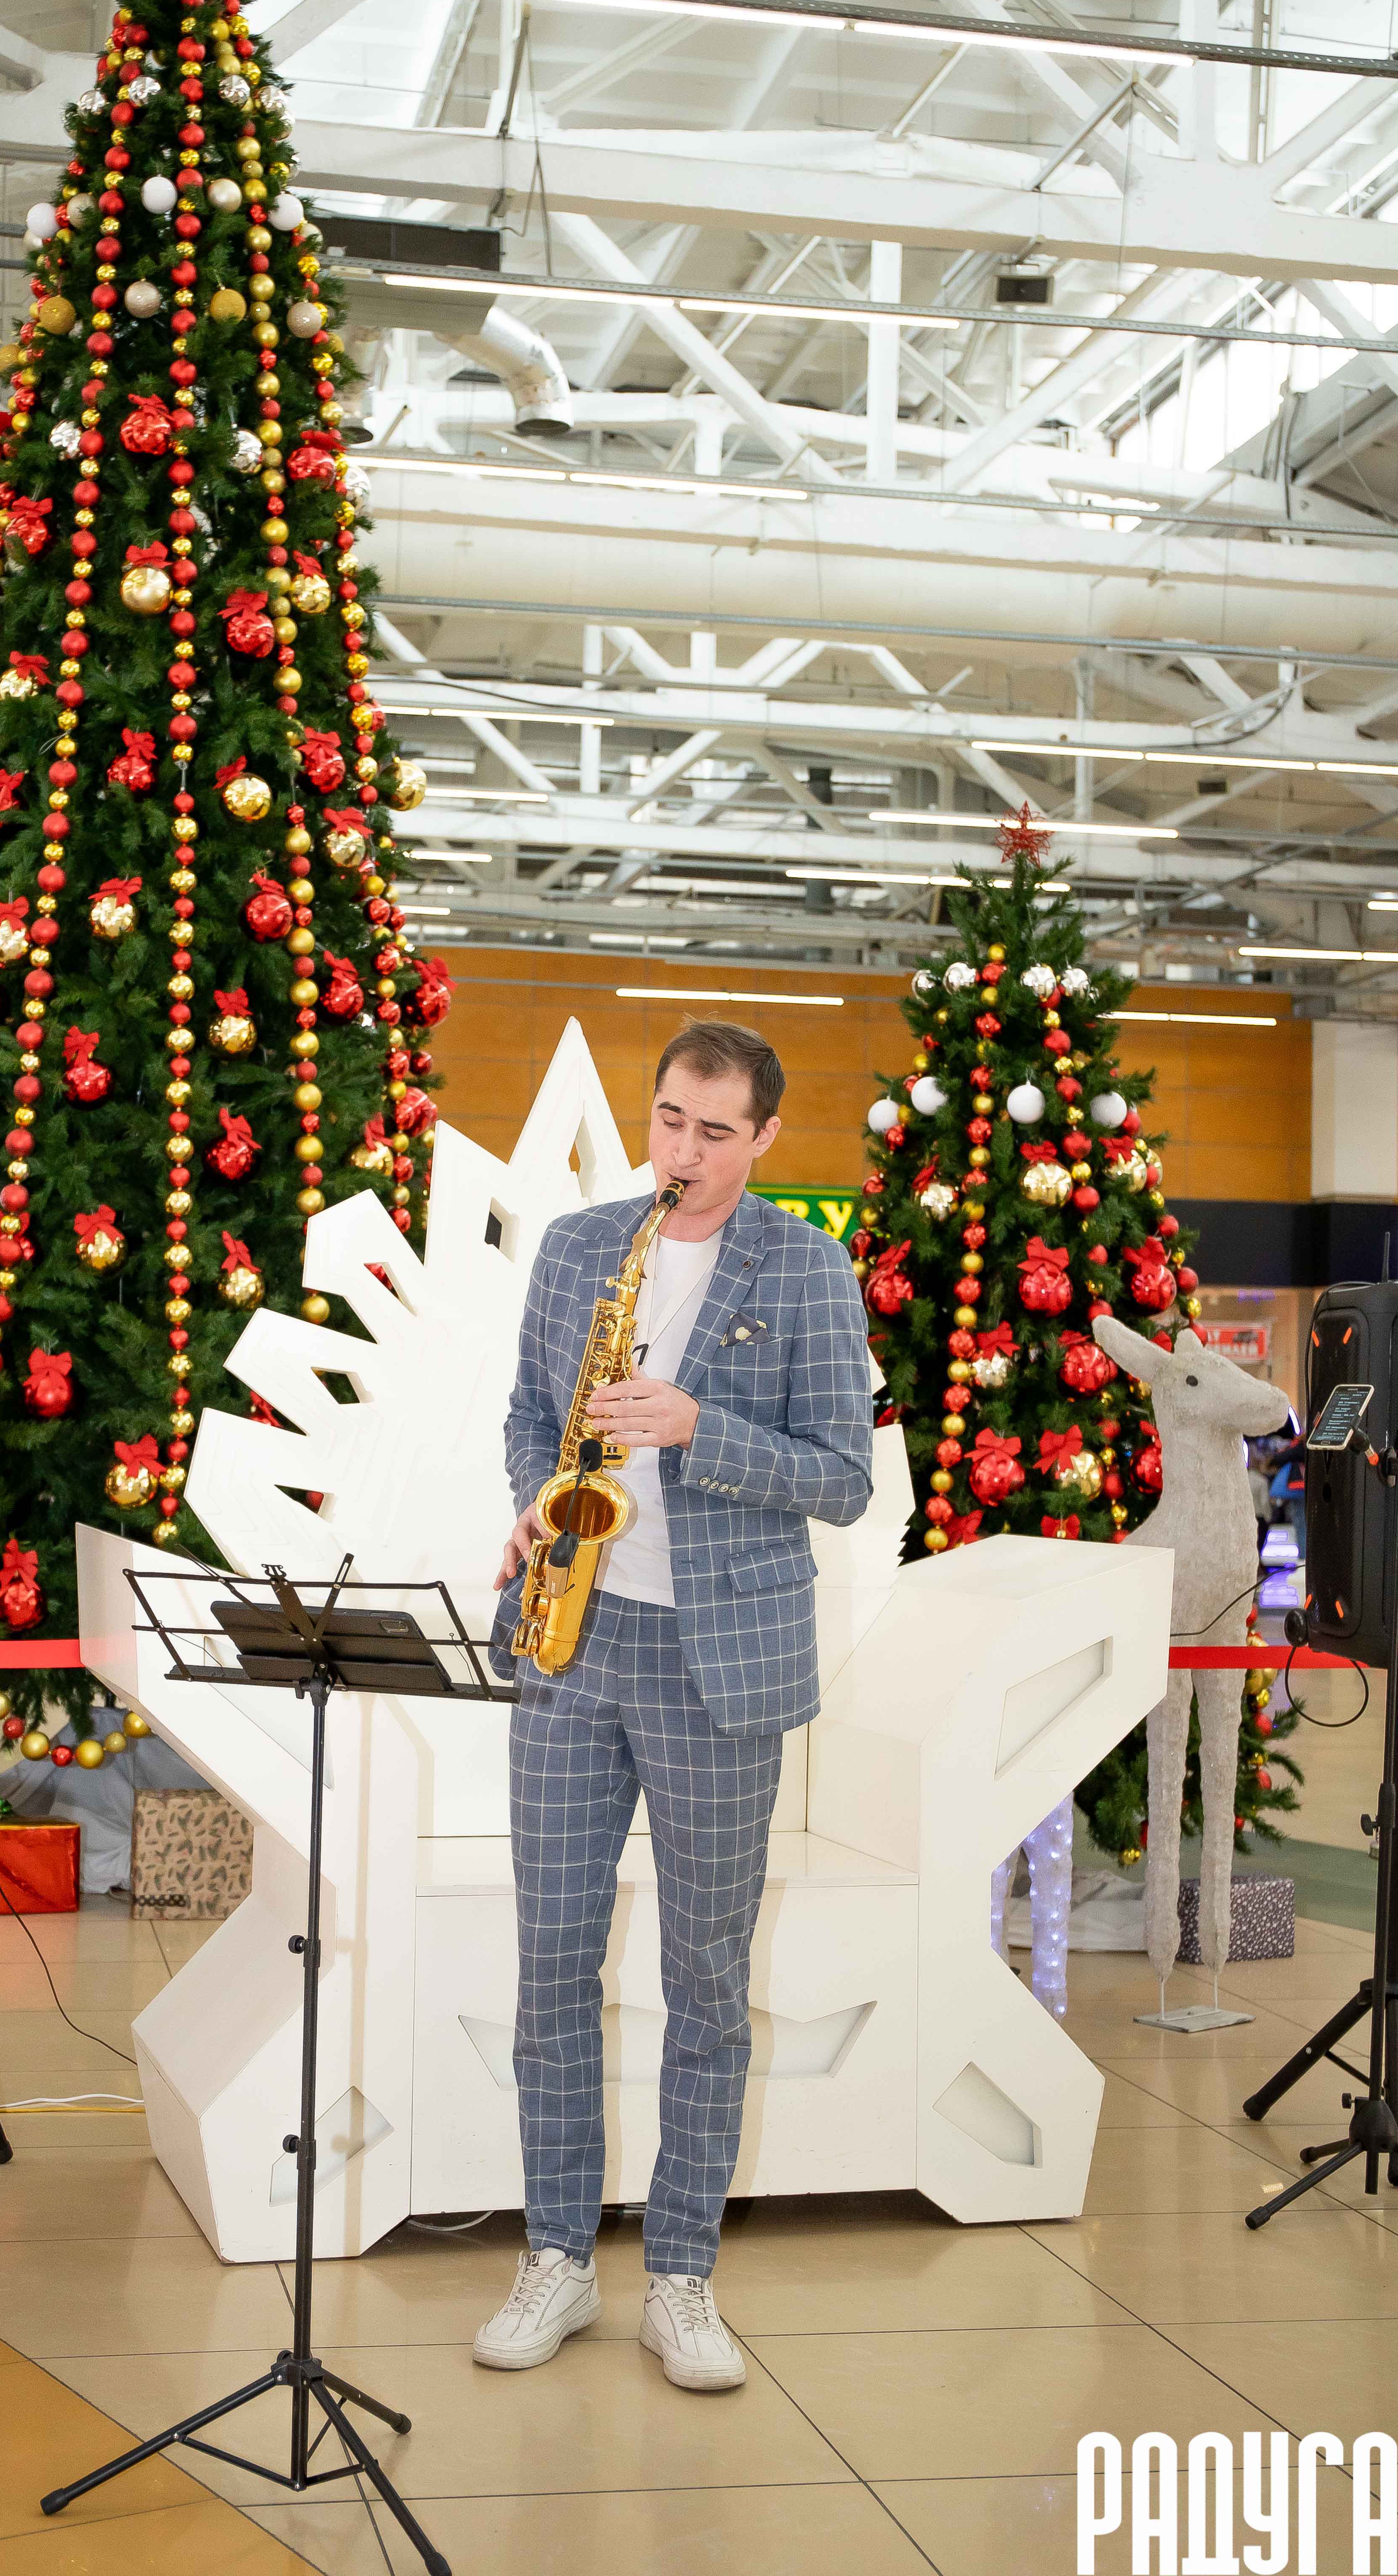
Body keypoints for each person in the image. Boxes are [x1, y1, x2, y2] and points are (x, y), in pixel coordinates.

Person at [475, 1021, 874, 2394]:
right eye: (668, 1122)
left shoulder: (810, 1269)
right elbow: (526, 1417)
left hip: (721, 1662)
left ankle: (684, 2276)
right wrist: (539, 1497)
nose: (682, 1153)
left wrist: (700, 1427)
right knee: (551, 1965)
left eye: (714, 1132)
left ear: (765, 1138)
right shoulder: (581, 1247)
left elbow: (844, 1479)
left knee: (705, 1981)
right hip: (572, 1641)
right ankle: (556, 2256)